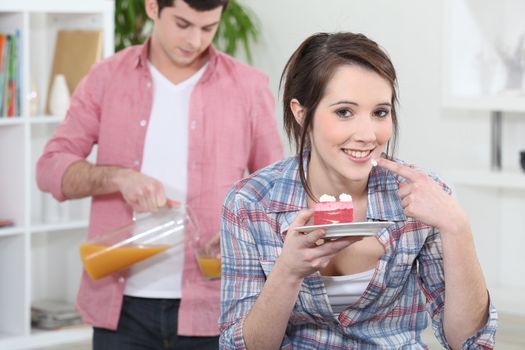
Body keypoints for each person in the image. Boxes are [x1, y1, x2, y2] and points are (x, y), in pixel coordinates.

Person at [219, 32, 497, 349]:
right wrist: (289, 272)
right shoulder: (250, 203)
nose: (367, 135)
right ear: (301, 113)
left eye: (380, 112)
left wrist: (458, 227)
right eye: (344, 112)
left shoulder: (423, 197)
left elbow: (468, 342)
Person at [36, 0, 283, 348]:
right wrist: (118, 178)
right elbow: (49, 168)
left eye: (208, 27)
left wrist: (246, 240)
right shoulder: (106, 77)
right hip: (120, 310)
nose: (195, 40)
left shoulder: (248, 86)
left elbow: (276, 193)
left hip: (216, 305)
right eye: (183, 24)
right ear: (153, 7)